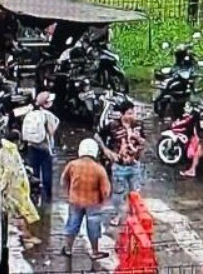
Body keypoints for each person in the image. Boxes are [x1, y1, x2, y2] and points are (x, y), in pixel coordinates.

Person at [95, 99, 145, 227]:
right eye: (129, 113)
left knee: (135, 191)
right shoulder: (112, 125)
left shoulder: (138, 125)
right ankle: (118, 214)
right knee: (118, 193)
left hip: (134, 164)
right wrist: (106, 151)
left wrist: (139, 142)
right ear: (122, 114)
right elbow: (97, 135)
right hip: (119, 165)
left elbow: (144, 141)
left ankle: (133, 213)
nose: (131, 116)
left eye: (133, 113)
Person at [60, 138, 111, 259]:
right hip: (93, 203)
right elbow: (106, 190)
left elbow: (63, 180)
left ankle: (68, 249)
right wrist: (102, 201)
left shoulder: (72, 165)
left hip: (75, 201)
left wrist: (69, 193)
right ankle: (95, 251)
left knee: (72, 224)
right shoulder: (99, 169)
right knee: (93, 227)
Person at [0, 130, 42, 248]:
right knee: (22, 213)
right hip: (15, 189)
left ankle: (26, 236)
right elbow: (10, 172)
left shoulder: (4, 151)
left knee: (21, 213)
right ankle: (26, 237)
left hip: (15, 188)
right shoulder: (10, 152)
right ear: (16, 141)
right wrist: (2, 186)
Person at [22, 91, 60, 205]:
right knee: (47, 175)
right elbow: (51, 132)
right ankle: (47, 199)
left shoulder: (30, 113)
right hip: (44, 149)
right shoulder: (47, 115)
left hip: (31, 147)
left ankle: (33, 197)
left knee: (34, 174)